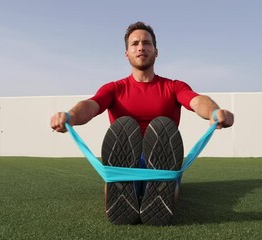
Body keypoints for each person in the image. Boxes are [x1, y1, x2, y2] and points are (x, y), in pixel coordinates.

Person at [50, 21, 234, 225]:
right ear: (127, 53)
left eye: (146, 43)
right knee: (125, 128)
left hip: (162, 157)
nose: (141, 47)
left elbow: (196, 100)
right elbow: (91, 105)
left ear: (156, 51)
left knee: (161, 128)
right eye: (135, 43)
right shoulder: (115, 88)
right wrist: (70, 116)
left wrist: (214, 111)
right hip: (126, 156)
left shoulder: (173, 86)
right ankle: (124, 185)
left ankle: (157, 186)